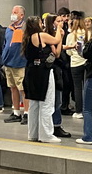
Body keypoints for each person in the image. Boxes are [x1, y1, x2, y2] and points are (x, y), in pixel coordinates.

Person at [22, 14, 63, 143]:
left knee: (34, 104)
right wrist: (58, 28)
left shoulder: (27, 37)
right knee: (46, 103)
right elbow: (56, 40)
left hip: (31, 71)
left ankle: (33, 133)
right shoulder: (40, 35)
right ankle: (46, 134)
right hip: (43, 72)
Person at [0, 6, 29, 125]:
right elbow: (6, 44)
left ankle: (27, 113)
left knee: (23, 89)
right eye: (12, 12)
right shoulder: (9, 29)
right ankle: (16, 112)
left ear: (21, 15)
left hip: (20, 63)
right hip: (8, 63)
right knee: (13, 88)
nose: (13, 14)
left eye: (15, 12)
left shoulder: (25, 28)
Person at [64, 12, 89, 118]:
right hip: (87, 62)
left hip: (75, 63)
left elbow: (68, 52)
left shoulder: (71, 35)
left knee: (78, 88)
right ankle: (88, 111)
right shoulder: (88, 33)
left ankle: (79, 111)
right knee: (87, 87)